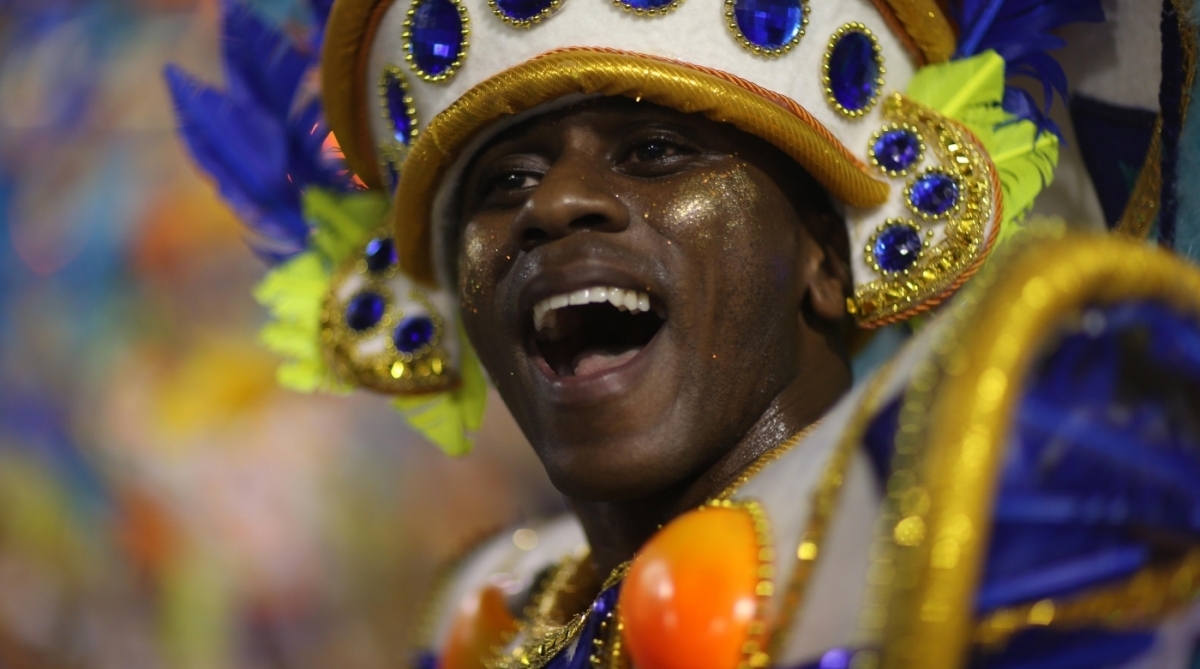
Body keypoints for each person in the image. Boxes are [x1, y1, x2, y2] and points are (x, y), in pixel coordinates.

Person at [168, 0, 1200, 666]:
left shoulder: (1014, 496)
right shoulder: (487, 612)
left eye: (656, 151)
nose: (553, 205)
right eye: (504, 180)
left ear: (827, 257)